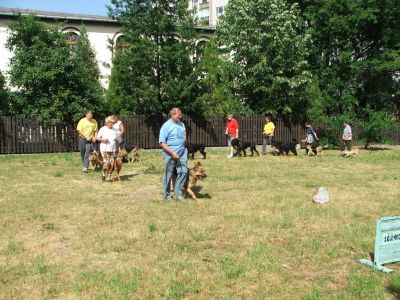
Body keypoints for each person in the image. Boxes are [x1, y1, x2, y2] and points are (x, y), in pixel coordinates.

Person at [159, 107, 188, 201]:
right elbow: (162, 143)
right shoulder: (166, 126)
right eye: (178, 114)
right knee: (168, 174)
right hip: (170, 153)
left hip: (182, 152)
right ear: (172, 115)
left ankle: (178, 194)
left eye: (180, 114)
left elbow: (184, 135)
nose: (180, 116)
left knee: (183, 171)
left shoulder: (181, 124)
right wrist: (172, 153)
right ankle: (166, 195)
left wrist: (184, 143)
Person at [96, 116, 118, 181]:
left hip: (112, 149)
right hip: (104, 149)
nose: (112, 124)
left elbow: (115, 140)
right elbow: (97, 138)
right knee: (106, 163)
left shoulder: (114, 129)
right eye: (111, 123)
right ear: (107, 122)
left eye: (113, 123)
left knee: (112, 163)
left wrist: (117, 148)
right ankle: (104, 174)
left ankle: (109, 177)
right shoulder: (103, 129)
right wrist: (103, 139)